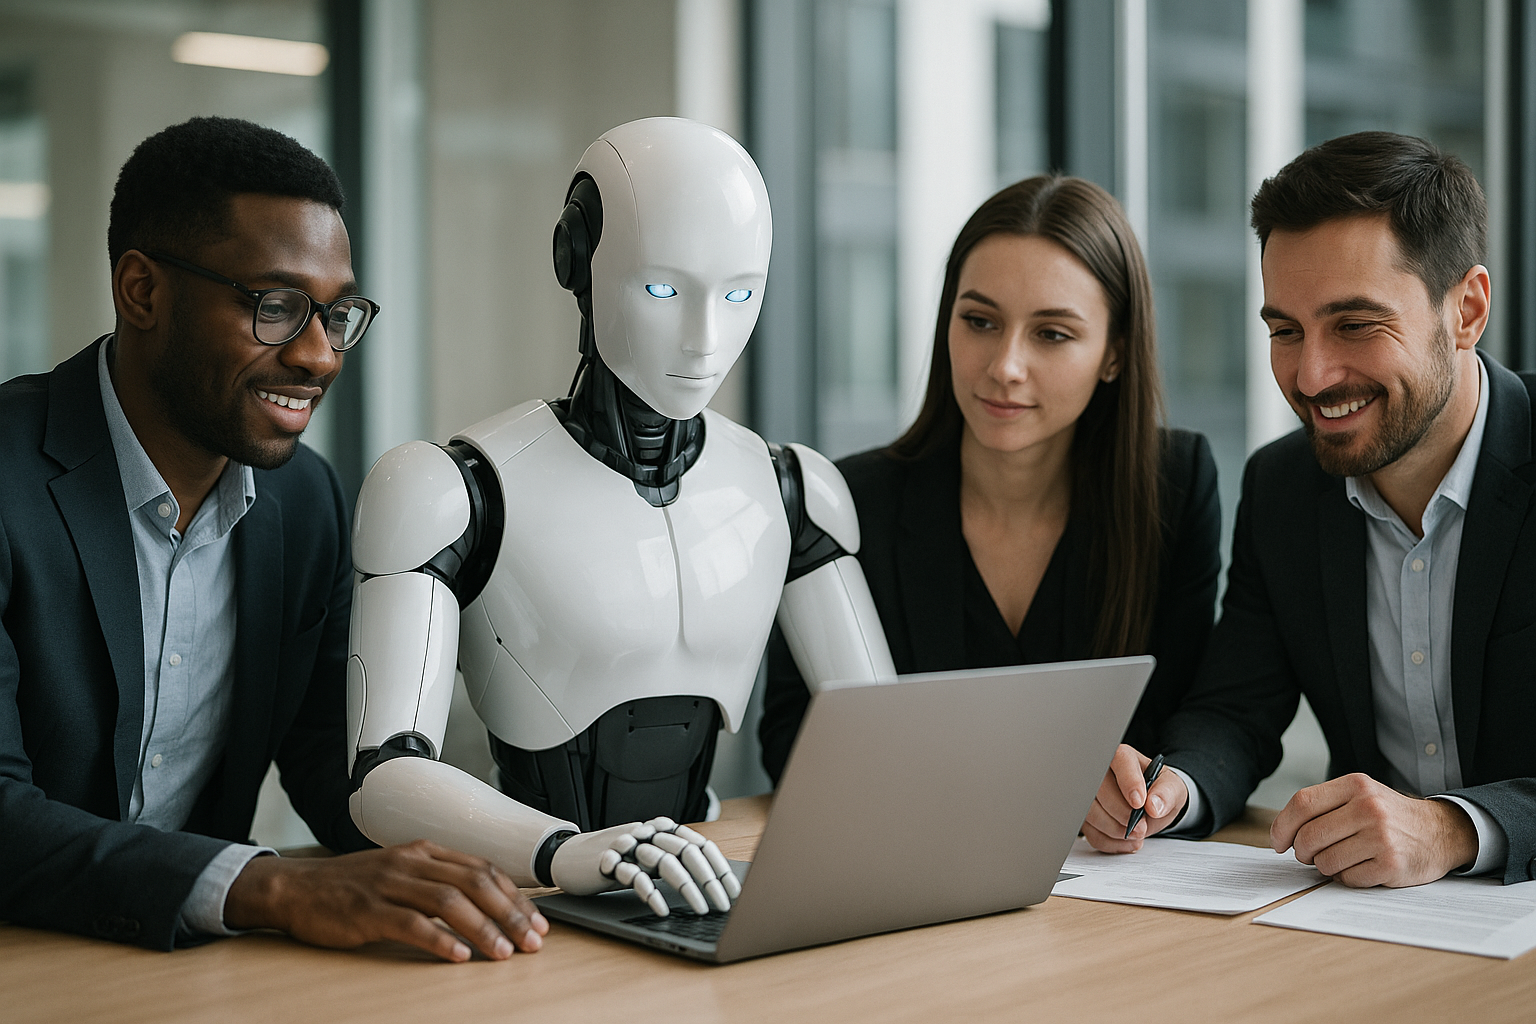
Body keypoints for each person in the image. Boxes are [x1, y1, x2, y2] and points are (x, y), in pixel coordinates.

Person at [0, 116, 546, 959]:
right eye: (277, 306)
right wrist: (276, 886)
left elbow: (339, 772)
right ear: (142, 291)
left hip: (184, 974)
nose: (321, 357)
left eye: (336, 314)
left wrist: (553, 850)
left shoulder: (306, 502)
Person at [342, 117, 895, 917]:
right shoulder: (451, 489)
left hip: (705, 887)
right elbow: (380, 776)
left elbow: (886, 740)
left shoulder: (792, 490)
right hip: (528, 895)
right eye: (664, 290)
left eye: (740, 293)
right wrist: (560, 852)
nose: (705, 339)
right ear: (576, 261)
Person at [1084, 131, 1536, 889]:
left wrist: (1456, 827)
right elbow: (1236, 708)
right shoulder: (1282, 487)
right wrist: (1167, 791)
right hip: (1371, 924)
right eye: (1285, 331)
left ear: (1467, 309)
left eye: (1355, 325)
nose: (1312, 374)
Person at [759, 175, 1221, 785]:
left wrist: (1154, 796)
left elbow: (1189, 717)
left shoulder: (1175, 486)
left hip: (1116, 869)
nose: (1005, 366)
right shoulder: (845, 505)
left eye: (1052, 334)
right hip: (912, 861)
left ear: (1115, 352)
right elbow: (791, 738)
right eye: (979, 321)